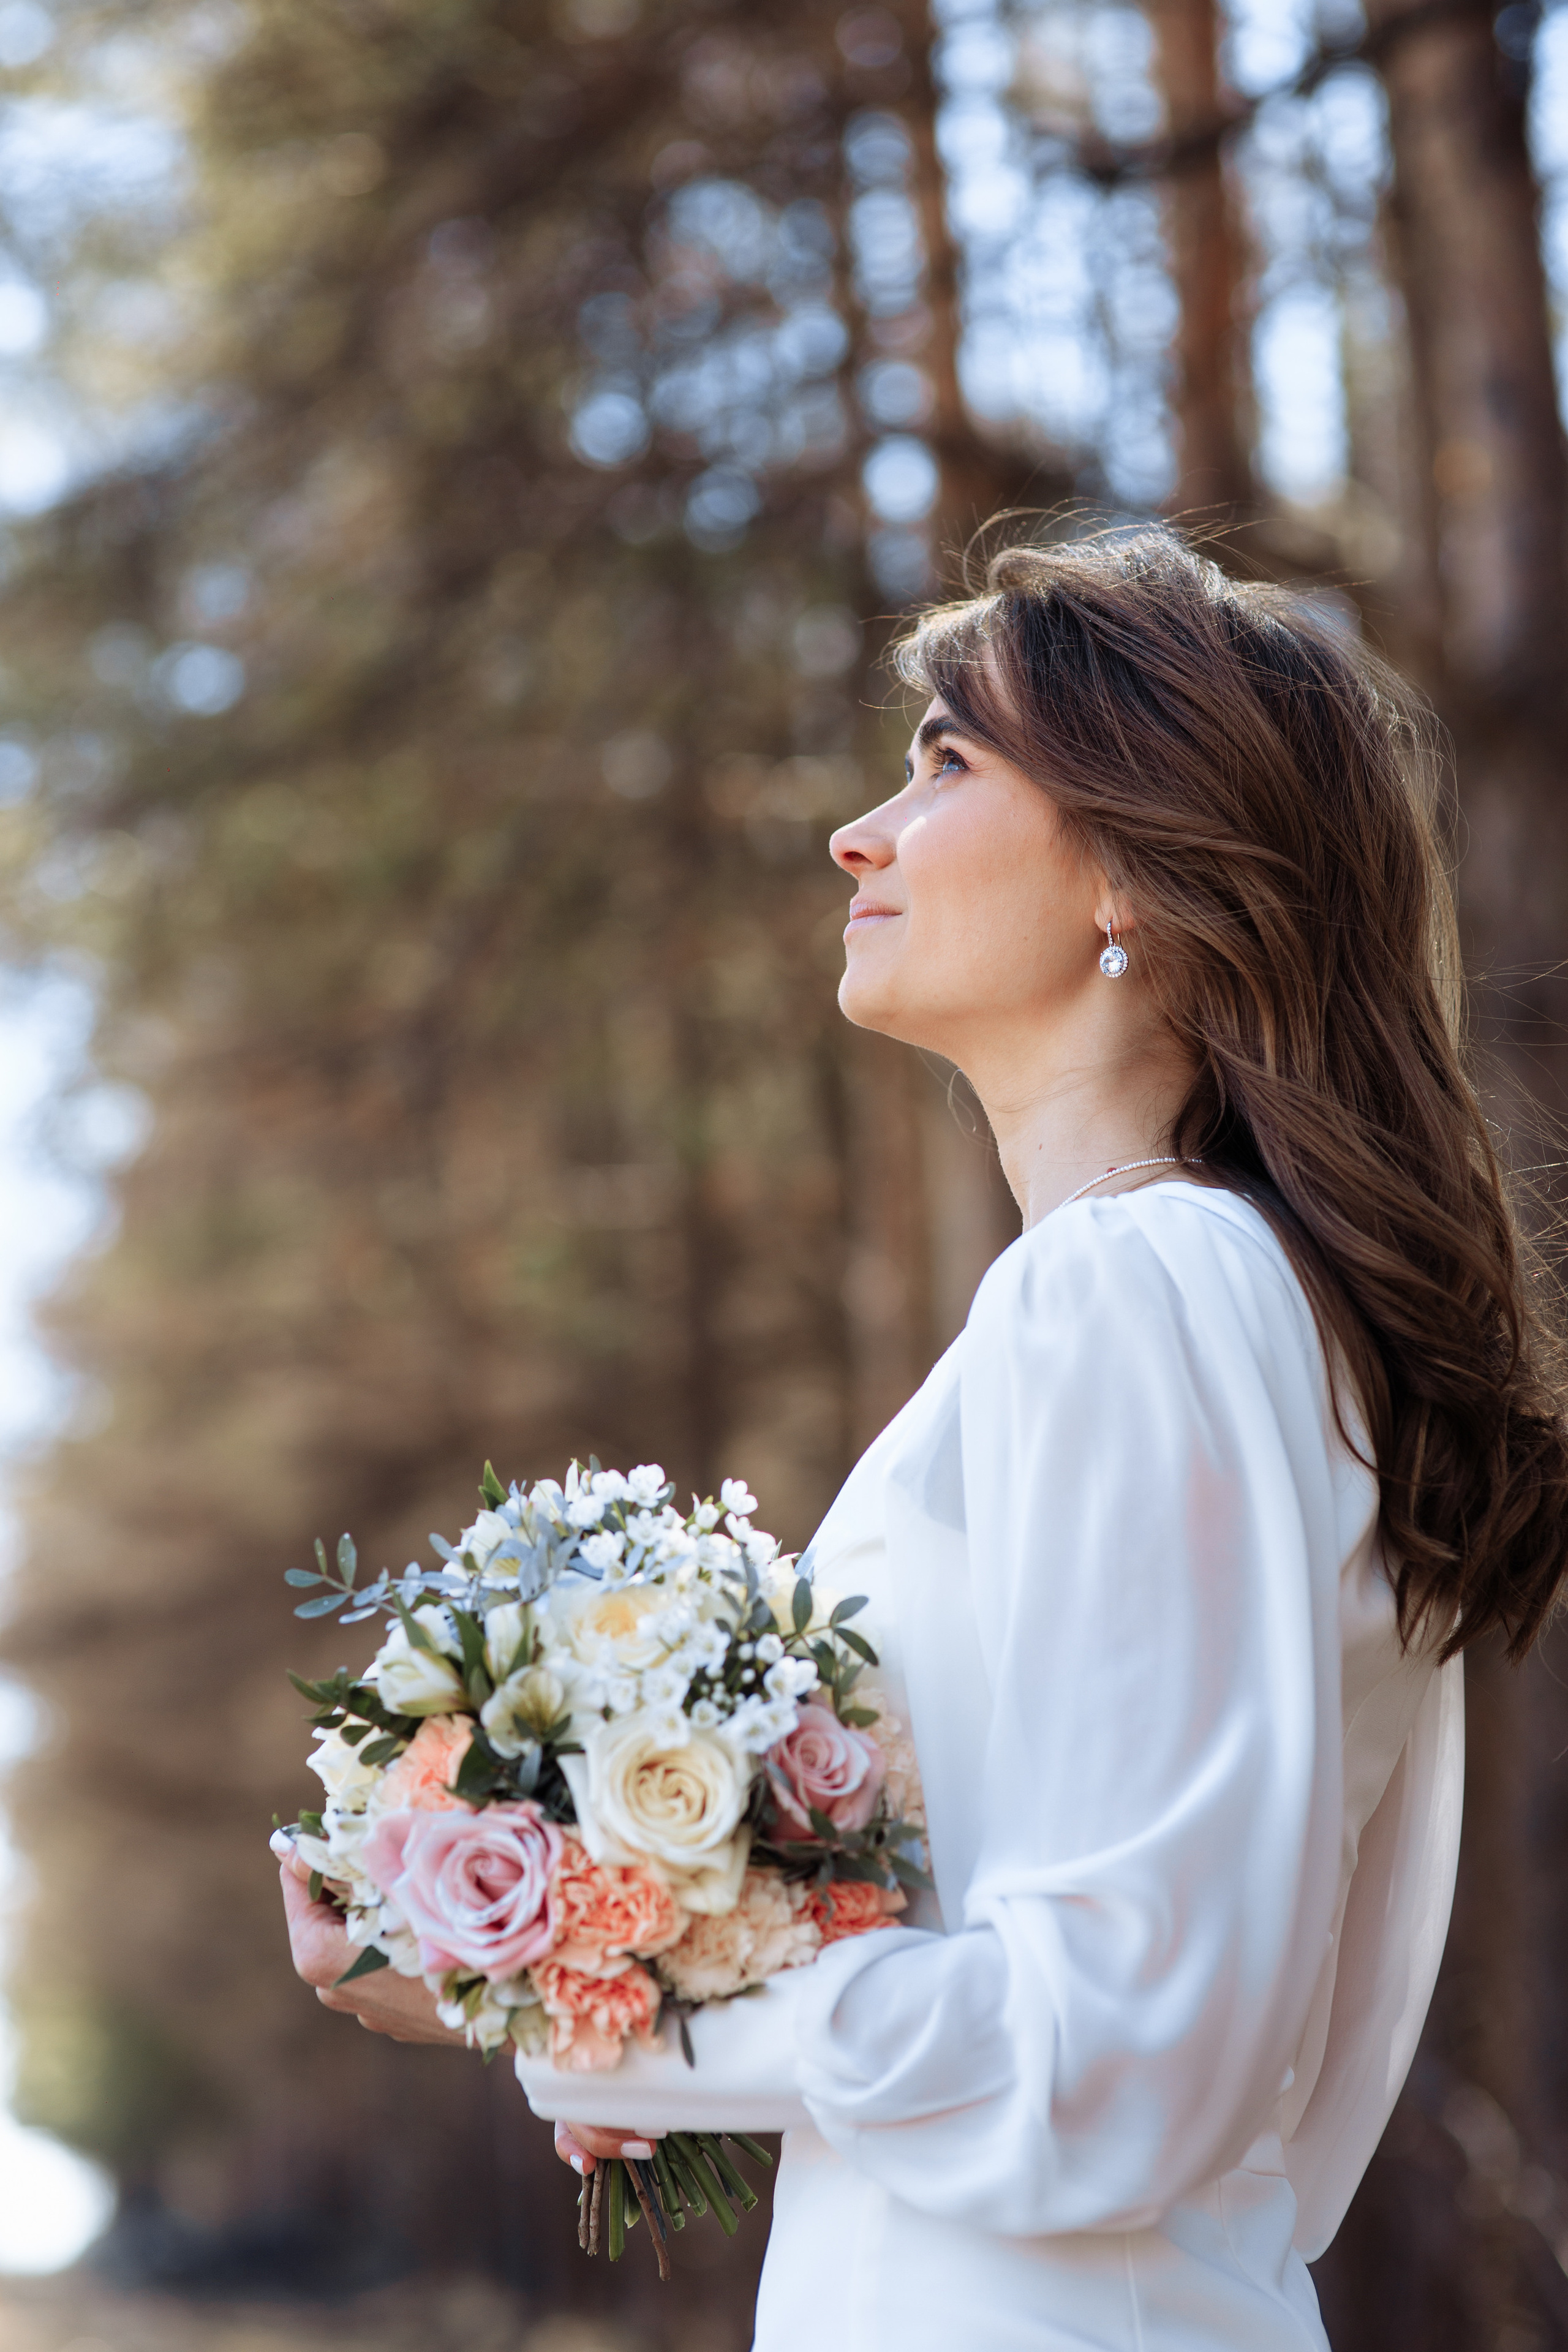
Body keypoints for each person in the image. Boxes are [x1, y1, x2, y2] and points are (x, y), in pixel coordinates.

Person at [281, 525, 1568, 2350]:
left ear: (1137, 860)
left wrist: (584, 2000)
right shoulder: (1229, 1308)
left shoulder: (1134, 1296)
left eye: (947, 764)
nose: (858, 832)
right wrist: (637, 1986)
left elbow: (1113, 2050)